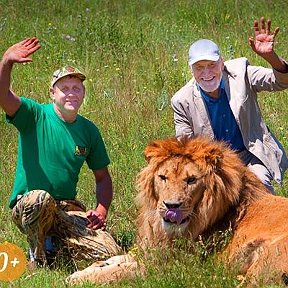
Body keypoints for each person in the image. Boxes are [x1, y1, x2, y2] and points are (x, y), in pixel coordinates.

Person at [0, 37, 121, 265]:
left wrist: (101, 210)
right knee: (40, 199)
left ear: (83, 94)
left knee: (109, 251)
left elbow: (103, 177)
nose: (71, 93)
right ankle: (38, 256)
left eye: (76, 88)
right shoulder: (34, 115)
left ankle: (58, 243)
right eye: (64, 88)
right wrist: (6, 61)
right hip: (29, 205)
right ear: (52, 93)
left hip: (65, 208)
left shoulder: (89, 130)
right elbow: (2, 96)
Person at [171, 17, 288, 193]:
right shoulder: (181, 100)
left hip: (251, 154)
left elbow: (280, 82)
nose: (207, 73)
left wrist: (271, 57)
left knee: (260, 187)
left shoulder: (241, 72)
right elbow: (185, 145)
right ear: (191, 69)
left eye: (212, 65)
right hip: (214, 164)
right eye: (199, 67)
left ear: (222, 62)